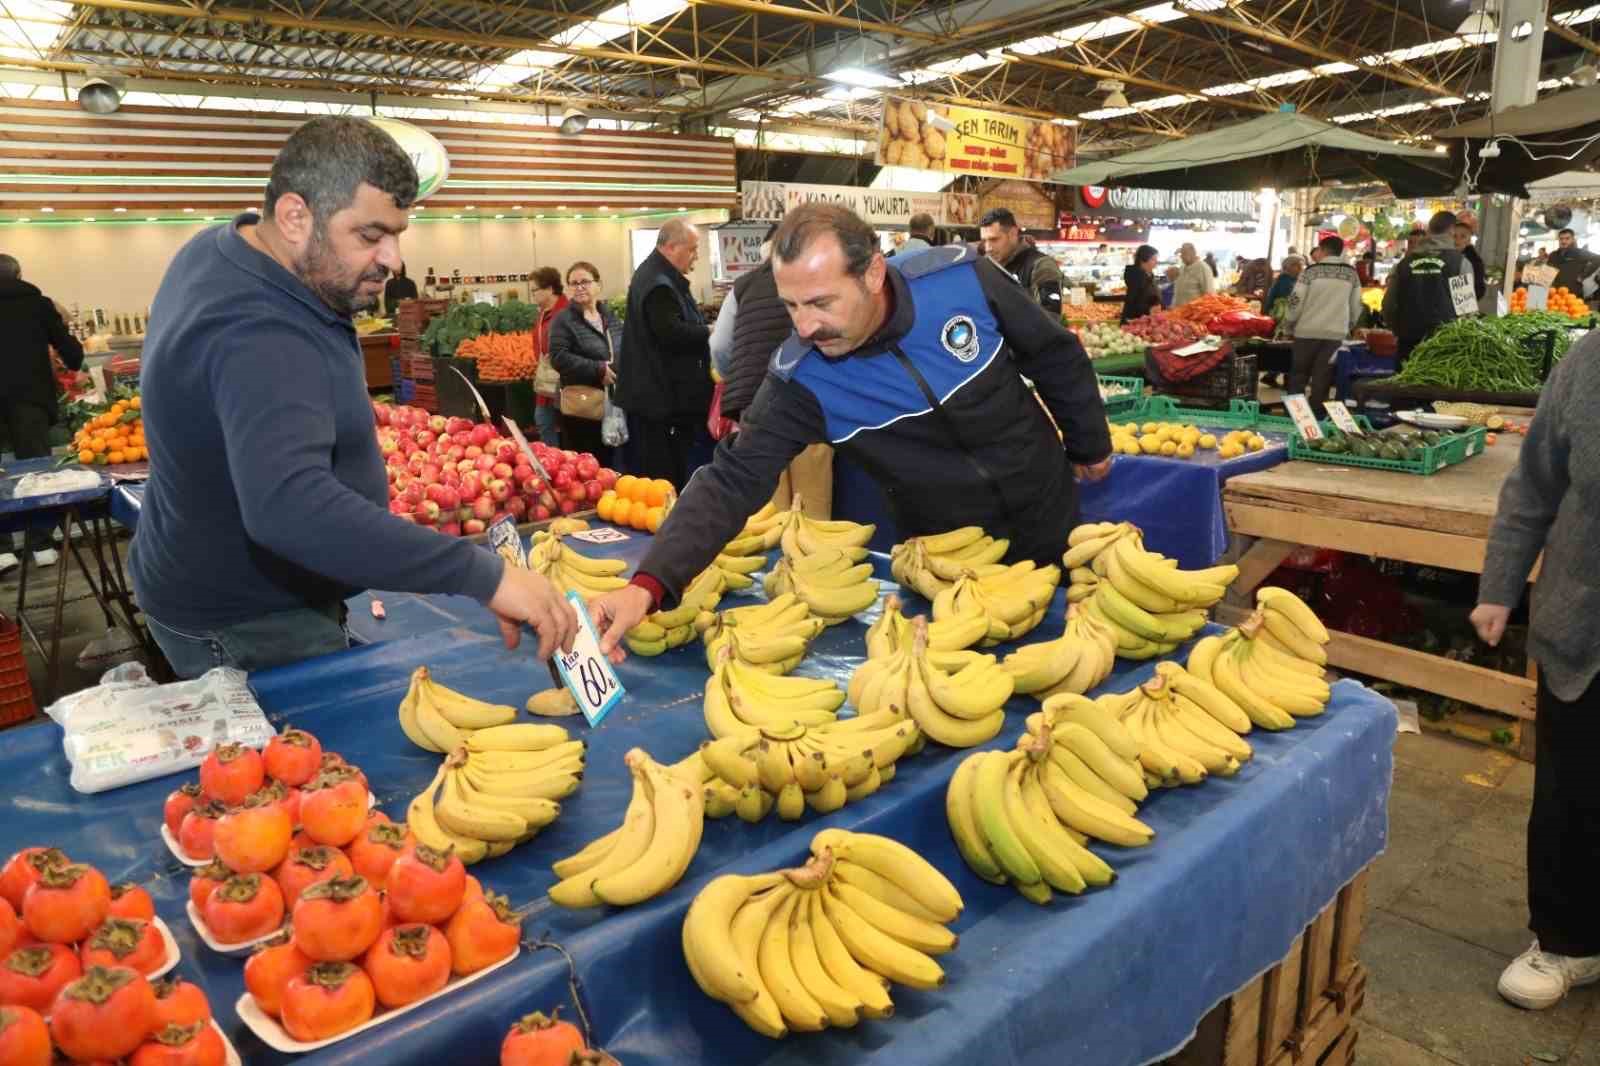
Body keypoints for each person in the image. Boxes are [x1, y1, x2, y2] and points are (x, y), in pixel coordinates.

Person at [129, 116, 577, 677]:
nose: (393, 259)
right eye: (370, 236)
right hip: (250, 619)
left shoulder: (237, 251)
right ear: (295, 217)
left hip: (228, 581)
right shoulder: (258, 330)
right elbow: (288, 508)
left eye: (396, 235)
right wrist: (484, 575)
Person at [585, 203, 1113, 655]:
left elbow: (1052, 352)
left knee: (1068, 650)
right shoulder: (802, 379)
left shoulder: (960, 280)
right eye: (791, 305)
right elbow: (731, 479)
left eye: (821, 302)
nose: (805, 326)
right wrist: (649, 585)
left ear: (874, 274)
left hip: (1047, 506)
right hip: (947, 554)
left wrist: (1089, 442)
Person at [1471, 335, 1600, 1011]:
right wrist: (1500, 587)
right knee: (1572, 791)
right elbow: (1534, 484)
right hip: (1587, 622)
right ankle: (1566, 939)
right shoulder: (1591, 363)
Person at [0, 253, 83, 572]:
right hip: (30, 399)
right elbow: (69, 350)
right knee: (35, 470)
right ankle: (42, 546)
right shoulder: (38, 304)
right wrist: (74, 360)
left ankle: (3, 550)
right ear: (19, 274)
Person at [616, 218, 713, 488]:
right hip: (659, 400)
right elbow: (670, 333)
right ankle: (667, 525)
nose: (696, 257)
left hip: (655, 398)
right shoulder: (659, 284)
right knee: (664, 476)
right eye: (692, 249)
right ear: (671, 247)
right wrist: (709, 332)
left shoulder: (654, 275)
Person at [547, 261, 618, 466]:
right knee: (586, 463)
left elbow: (621, 346)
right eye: (573, 283)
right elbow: (558, 357)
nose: (579, 287)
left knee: (610, 460)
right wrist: (598, 369)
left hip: (610, 401)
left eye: (585, 282)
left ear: (598, 285)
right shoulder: (563, 320)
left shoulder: (608, 316)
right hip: (581, 405)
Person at [1382, 210, 1473, 366]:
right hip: (1445, 348)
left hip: (1408, 345)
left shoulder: (1403, 264)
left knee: (1404, 389)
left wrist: (1398, 329)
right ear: (1452, 230)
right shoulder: (1459, 263)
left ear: (1429, 230)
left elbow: (1388, 305)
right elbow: (1467, 310)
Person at [1284, 236, 1362, 403]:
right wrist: (1349, 326)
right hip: (1335, 335)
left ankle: (1294, 415)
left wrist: (1289, 325)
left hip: (1306, 332)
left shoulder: (1310, 272)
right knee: (1322, 379)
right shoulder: (1351, 274)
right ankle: (1318, 416)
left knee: (1298, 377)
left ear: (1323, 249)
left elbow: (1295, 300)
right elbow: (1356, 306)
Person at [978, 207, 1064, 316]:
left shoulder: (1041, 265)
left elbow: (1051, 319)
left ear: (1013, 233)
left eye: (994, 239)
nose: (988, 248)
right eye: (984, 240)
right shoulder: (986, 265)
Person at [530, 266, 568, 448]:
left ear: (550, 289)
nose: (533, 295)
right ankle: (553, 459)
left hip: (564, 382)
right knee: (544, 422)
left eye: (535, 290)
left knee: (567, 425)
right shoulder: (543, 313)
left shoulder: (566, 313)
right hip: (545, 382)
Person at [1547, 228, 1599, 294]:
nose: (1563, 241)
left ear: (1573, 239)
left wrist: (1583, 276)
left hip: (1574, 291)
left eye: (1567, 238)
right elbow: (1548, 271)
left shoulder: (1579, 253)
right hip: (1556, 291)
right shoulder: (1553, 255)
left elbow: (1597, 259)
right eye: (1561, 239)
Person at [1120, 245, 1162, 323]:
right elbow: (1133, 302)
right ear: (1143, 260)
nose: (1156, 262)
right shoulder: (1137, 278)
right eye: (1153, 259)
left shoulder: (1149, 275)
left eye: (1156, 259)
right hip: (1135, 322)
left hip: (1146, 320)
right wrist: (1149, 309)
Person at [1173, 243, 1215, 307]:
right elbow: (1178, 291)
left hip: (1193, 314)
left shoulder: (1203, 268)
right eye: (1181, 254)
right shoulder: (1182, 267)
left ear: (1193, 253)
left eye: (1184, 253)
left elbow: (1209, 295)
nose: (1181, 256)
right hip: (1178, 312)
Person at [1454, 221, 1486, 302]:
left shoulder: (1473, 261)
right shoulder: (1447, 256)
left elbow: (1478, 290)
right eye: (1454, 236)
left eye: (1463, 236)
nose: (1458, 240)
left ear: (1469, 239)